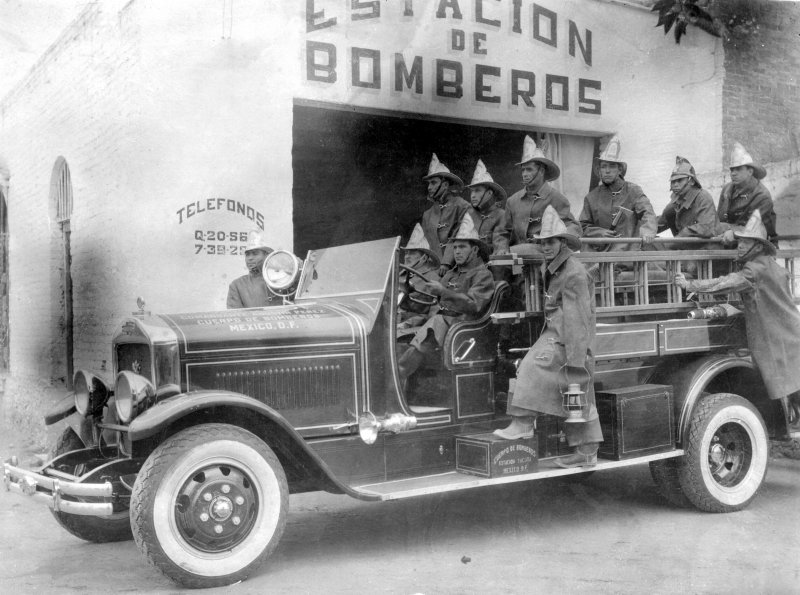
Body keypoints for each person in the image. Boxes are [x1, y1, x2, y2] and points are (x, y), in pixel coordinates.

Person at [494, 205, 603, 468]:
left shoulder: (573, 272)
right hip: (556, 332)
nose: (545, 247)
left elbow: (578, 320)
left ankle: (522, 423)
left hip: (569, 337)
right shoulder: (554, 266)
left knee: (534, 367)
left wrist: (576, 362)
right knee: (575, 397)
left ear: (562, 242)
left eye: (551, 241)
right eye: (542, 242)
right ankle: (586, 452)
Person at [674, 210, 800, 437]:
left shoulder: (753, 269)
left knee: (784, 382)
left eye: (747, 243)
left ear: (758, 247)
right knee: (792, 383)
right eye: (740, 241)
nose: (741, 246)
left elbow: (726, 283)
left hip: (774, 337)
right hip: (790, 332)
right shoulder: (772, 265)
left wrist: (690, 285)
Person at [397, 216, 495, 385]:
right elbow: (434, 305)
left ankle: (398, 373)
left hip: (463, 326)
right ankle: (400, 390)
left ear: (475, 251)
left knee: (435, 323)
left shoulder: (482, 275)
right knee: (398, 334)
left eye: (462, 247)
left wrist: (443, 291)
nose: (457, 251)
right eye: (455, 247)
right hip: (443, 323)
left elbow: (473, 304)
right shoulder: (450, 274)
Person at [495, 136, 579, 257]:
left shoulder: (557, 198)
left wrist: (558, 240)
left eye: (529, 170)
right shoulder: (513, 201)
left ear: (541, 171)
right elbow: (502, 232)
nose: (524, 174)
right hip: (518, 258)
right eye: (523, 170)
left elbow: (573, 226)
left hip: (546, 253)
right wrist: (502, 247)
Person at [579, 135, 657, 252]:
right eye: (603, 167)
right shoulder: (591, 197)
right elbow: (583, 226)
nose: (607, 171)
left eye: (612, 166)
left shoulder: (633, 191)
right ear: (599, 170)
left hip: (627, 254)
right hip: (600, 253)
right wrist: (599, 233)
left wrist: (648, 230)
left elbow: (648, 213)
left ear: (620, 170)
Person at [419, 153, 470, 276]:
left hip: (457, 269)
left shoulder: (462, 206)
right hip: (432, 270)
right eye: (429, 184)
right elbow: (424, 246)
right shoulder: (428, 214)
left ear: (445, 185)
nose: (429, 187)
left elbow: (461, 237)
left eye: (433, 183)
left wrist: (446, 262)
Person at [716, 142, 777, 245]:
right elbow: (719, 220)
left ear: (750, 171)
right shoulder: (727, 190)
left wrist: (734, 233)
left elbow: (753, 227)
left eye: (738, 169)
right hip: (728, 242)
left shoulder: (762, 195)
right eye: (732, 169)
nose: (733, 173)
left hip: (758, 247)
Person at [657, 156, 719, 243]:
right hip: (685, 245)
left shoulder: (703, 197)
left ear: (692, 181)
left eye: (679, 180)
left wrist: (682, 235)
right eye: (673, 181)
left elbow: (706, 228)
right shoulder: (676, 201)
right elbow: (661, 223)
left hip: (705, 247)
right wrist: (647, 230)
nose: (675, 185)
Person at [398, 223, 442, 330]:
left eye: (412, 253)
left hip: (414, 328)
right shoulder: (398, 277)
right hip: (393, 323)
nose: (407, 257)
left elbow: (432, 315)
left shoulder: (433, 280)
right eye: (406, 253)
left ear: (424, 257)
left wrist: (406, 324)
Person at [226, 230, 281, 309]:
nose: (250, 258)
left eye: (255, 254)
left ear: (267, 255)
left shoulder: (283, 280)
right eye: (247, 255)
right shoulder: (237, 285)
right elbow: (235, 317)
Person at [465, 159, 506, 250]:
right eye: (472, 191)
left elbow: (500, 248)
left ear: (489, 193)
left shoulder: (501, 216)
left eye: (477, 190)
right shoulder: (469, 215)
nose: (473, 196)